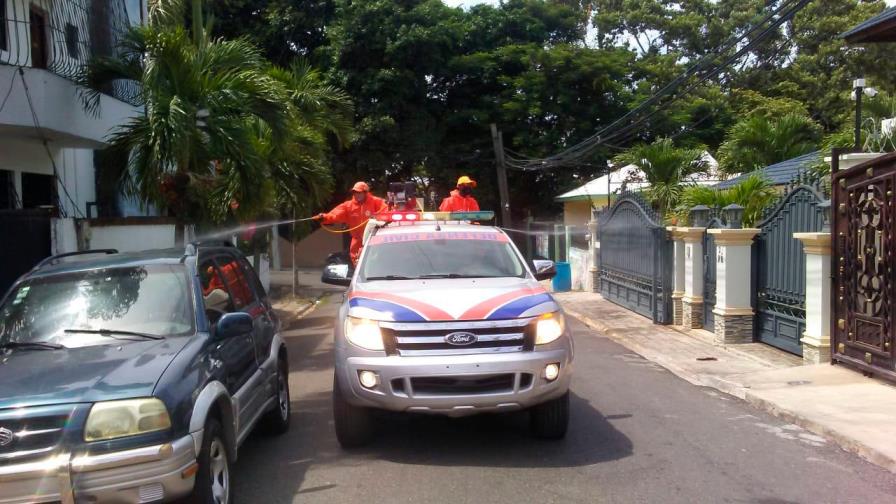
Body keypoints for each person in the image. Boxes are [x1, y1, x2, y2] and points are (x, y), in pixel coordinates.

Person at [314, 182, 387, 265]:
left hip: (374, 240)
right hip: (357, 241)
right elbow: (335, 214)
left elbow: (387, 209)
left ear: (365, 192)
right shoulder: (348, 206)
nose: (356, 194)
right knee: (357, 264)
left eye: (359, 192)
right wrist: (324, 218)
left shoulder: (376, 201)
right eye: (355, 192)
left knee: (375, 263)